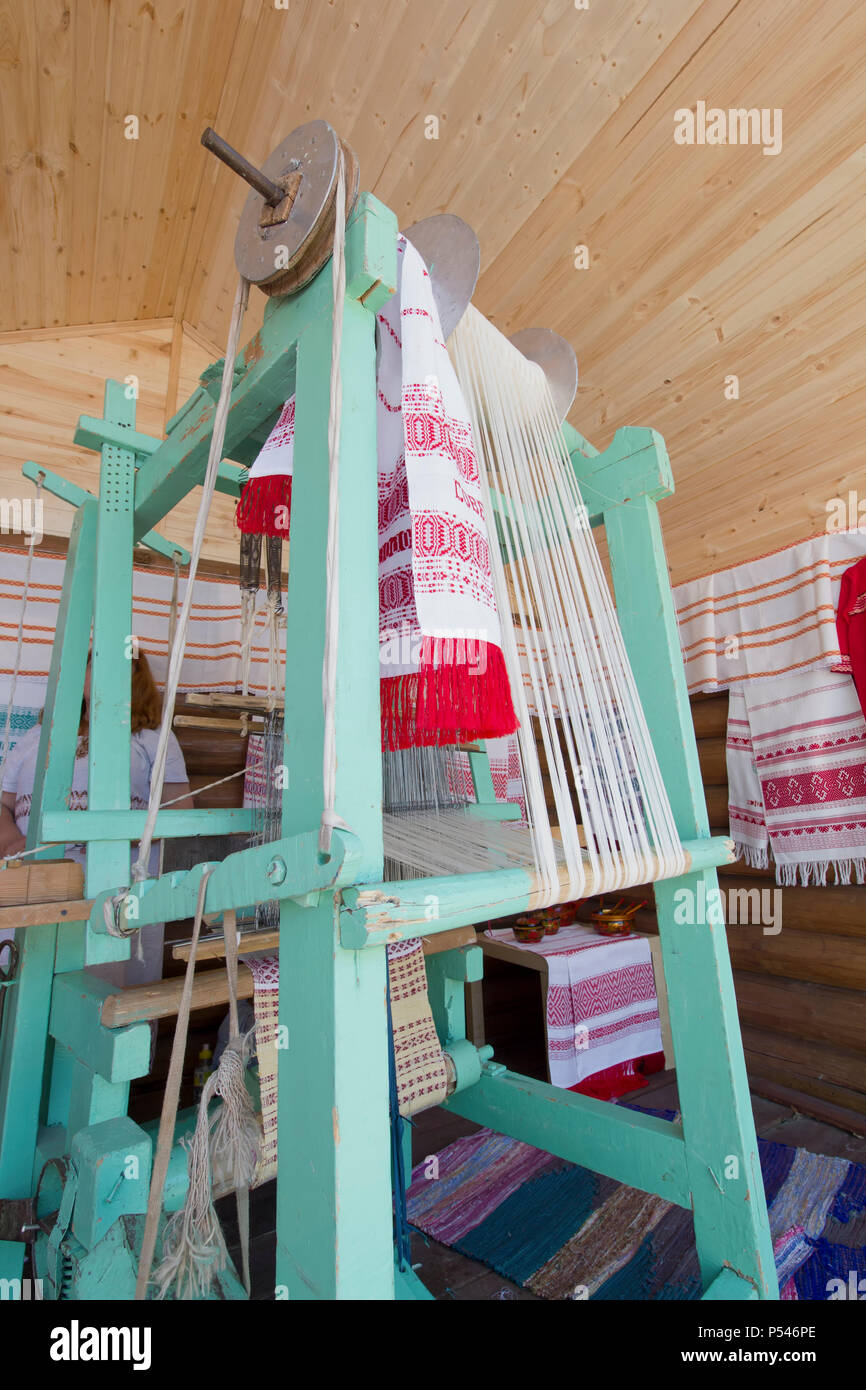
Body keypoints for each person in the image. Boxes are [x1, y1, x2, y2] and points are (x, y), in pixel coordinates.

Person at [0, 648, 193, 985]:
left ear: (134, 680)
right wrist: (12, 839)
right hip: (36, 877)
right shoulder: (39, 735)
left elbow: (181, 810)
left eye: (116, 670)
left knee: (106, 986)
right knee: (28, 975)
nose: (101, 677)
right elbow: (3, 805)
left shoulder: (152, 739)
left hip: (116, 883)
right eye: (94, 668)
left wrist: (126, 834)